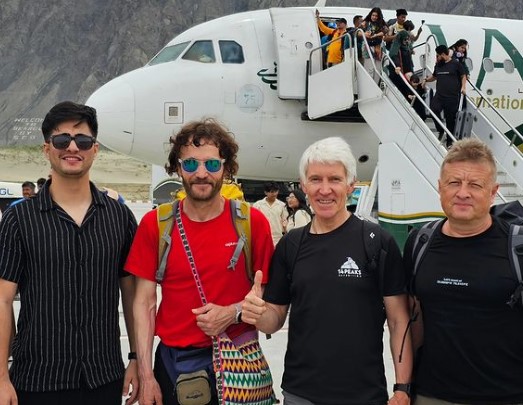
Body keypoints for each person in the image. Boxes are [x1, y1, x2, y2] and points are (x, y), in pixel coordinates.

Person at [242, 137, 413, 405]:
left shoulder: (377, 242)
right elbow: (274, 318)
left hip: (363, 395)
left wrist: (402, 387)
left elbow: (398, 320)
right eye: (315, 180)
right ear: (303, 186)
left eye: (334, 179)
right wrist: (257, 313)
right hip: (301, 394)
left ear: (351, 185)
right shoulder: (292, 244)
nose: (325, 190)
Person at [126, 118, 274, 405]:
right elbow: (144, 304)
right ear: (178, 168)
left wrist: (233, 312)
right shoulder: (156, 225)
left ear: (226, 168)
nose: (202, 173)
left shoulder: (252, 223)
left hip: (237, 363)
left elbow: (269, 299)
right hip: (174, 363)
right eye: (191, 164)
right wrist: (146, 375)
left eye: (212, 165)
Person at [0, 101, 139, 404]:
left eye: (83, 140)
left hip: (104, 378)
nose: (72, 147)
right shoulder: (19, 219)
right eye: (62, 140)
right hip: (36, 381)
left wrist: (136, 359)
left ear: (95, 149)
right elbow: (3, 298)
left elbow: (132, 295)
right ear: (46, 148)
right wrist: (0, 377)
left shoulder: (119, 218)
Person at [404, 138, 523, 405]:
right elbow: (414, 319)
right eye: (454, 183)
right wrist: (405, 385)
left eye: (475, 185)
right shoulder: (419, 242)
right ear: (440, 188)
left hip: (506, 396)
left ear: (493, 192)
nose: (463, 193)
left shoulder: (517, 248)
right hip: (431, 395)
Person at [424, 45, 467, 147]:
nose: (437, 58)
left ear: (443, 54)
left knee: (450, 119)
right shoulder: (438, 65)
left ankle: (449, 142)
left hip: (452, 97)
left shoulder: (456, 64)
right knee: (433, 110)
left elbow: (463, 75)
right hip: (439, 95)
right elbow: (434, 77)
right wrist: (426, 80)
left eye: (438, 56)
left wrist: (463, 87)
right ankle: (440, 129)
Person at [253, 181, 287, 246]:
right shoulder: (257, 205)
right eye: (271, 192)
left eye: (276, 191)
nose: (274, 194)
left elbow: (285, 221)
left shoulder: (282, 205)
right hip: (262, 237)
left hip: (278, 238)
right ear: (265, 192)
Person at [361, 7, 388, 84]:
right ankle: (368, 84)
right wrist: (365, 34)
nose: (374, 17)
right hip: (367, 46)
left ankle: (375, 85)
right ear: (370, 15)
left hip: (378, 46)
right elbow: (357, 32)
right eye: (373, 15)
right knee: (369, 68)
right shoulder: (365, 22)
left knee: (378, 69)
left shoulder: (382, 23)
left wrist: (375, 35)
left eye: (376, 16)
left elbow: (385, 30)